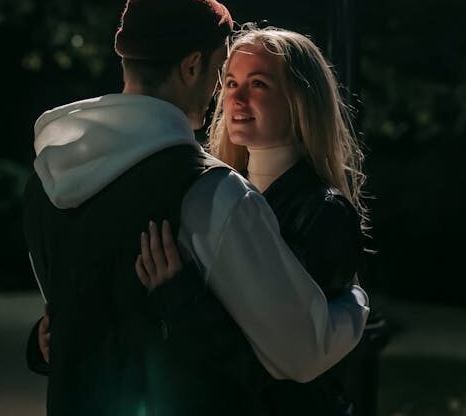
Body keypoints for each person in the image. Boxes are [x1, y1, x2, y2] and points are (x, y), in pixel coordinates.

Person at [23, 0, 370, 416]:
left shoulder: (45, 183)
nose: (222, 93)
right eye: (219, 73)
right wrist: (355, 306)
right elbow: (301, 353)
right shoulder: (211, 192)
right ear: (192, 67)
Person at [135, 25, 369, 415]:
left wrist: (180, 298)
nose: (236, 98)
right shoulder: (206, 195)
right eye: (229, 83)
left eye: (258, 84)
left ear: (299, 99)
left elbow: (280, 364)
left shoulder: (324, 212)